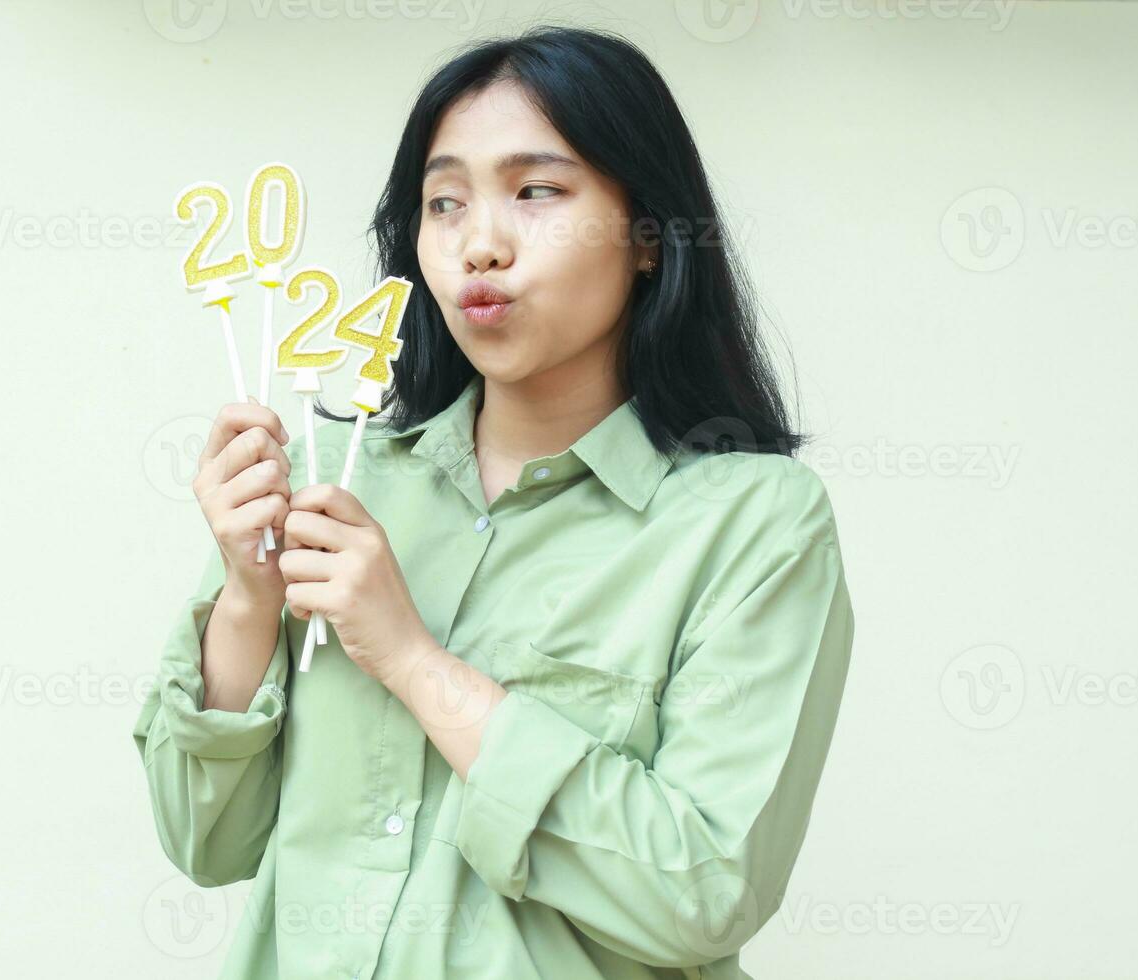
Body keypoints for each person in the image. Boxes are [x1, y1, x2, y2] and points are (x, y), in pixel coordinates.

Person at [132, 25, 854, 980]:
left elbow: (703, 893)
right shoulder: (332, 475)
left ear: (648, 235)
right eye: (443, 202)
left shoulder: (754, 523)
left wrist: (410, 657)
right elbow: (205, 843)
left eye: (537, 191)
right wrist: (247, 600)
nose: (480, 244)